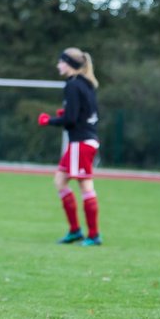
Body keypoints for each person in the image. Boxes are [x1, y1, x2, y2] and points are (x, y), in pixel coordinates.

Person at [37, 47, 103, 246]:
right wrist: (64, 115)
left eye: (60, 62)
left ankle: (93, 235)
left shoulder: (73, 85)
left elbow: (71, 119)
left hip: (81, 142)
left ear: (69, 64)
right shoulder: (85, 83)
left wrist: (50, 120)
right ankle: (75, 230)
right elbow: (82, 113)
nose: (58, 65)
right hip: (84, 140)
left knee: (85, 186)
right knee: (60, 180)